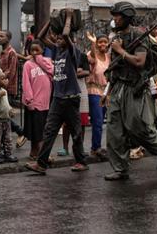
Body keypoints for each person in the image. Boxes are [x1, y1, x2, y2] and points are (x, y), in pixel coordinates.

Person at [103, 2, 157, 181]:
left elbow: (140, 62)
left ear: (126, 17)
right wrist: (107, 92)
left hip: (135, 88)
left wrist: (120, 50)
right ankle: (120, 169)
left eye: (118, 15)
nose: (115, 19)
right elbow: (115, 66)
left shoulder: (139, 35)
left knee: (137, 126)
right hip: (118, 86)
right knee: (114, 130)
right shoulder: (117, 37)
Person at [25, 10, 90, 175]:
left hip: (71, 98)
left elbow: (67, 36)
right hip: (58, 98)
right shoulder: (57, 51)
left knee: (75, 132)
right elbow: (40, 36)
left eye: (61, 38)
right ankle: (41, 164)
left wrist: (68, 18)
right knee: (49, 130)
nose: (58, 39)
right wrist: (50, 19)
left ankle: (81, 161)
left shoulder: (72, 52)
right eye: (57, 38)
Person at [22, 40, 53, 161]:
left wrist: (39, 59)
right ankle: (41, 154)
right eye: (32, 50)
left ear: (42, 50)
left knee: (42, 129)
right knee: (36, 131)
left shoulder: (47, 62)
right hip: (34, 102)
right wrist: (29, 100)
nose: (34, 53)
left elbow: (52, 71)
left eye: (37, 50)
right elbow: (26, 83)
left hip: (46, 102)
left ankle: (34, 153)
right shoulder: (27, 65)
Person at [0, 30, 27, 147]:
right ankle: (17, 133)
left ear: (8, 38)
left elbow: (11, 71)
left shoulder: (11, 52)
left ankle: (20, 132)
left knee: (4, 115)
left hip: (8, 88)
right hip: (1, 86)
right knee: (2, 115)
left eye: (2, 36)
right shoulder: (1, 52)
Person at [85, 32, 110, 159]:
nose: (103, 44)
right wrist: (93, 43)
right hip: (94, 91)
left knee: (107, 122)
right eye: (100, 42)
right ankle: (95, 148)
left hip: (106, 92)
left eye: (105, 42)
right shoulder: (91, 54)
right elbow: (92, 59)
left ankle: (101, 147)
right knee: (98, 121)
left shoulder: (108, 57)